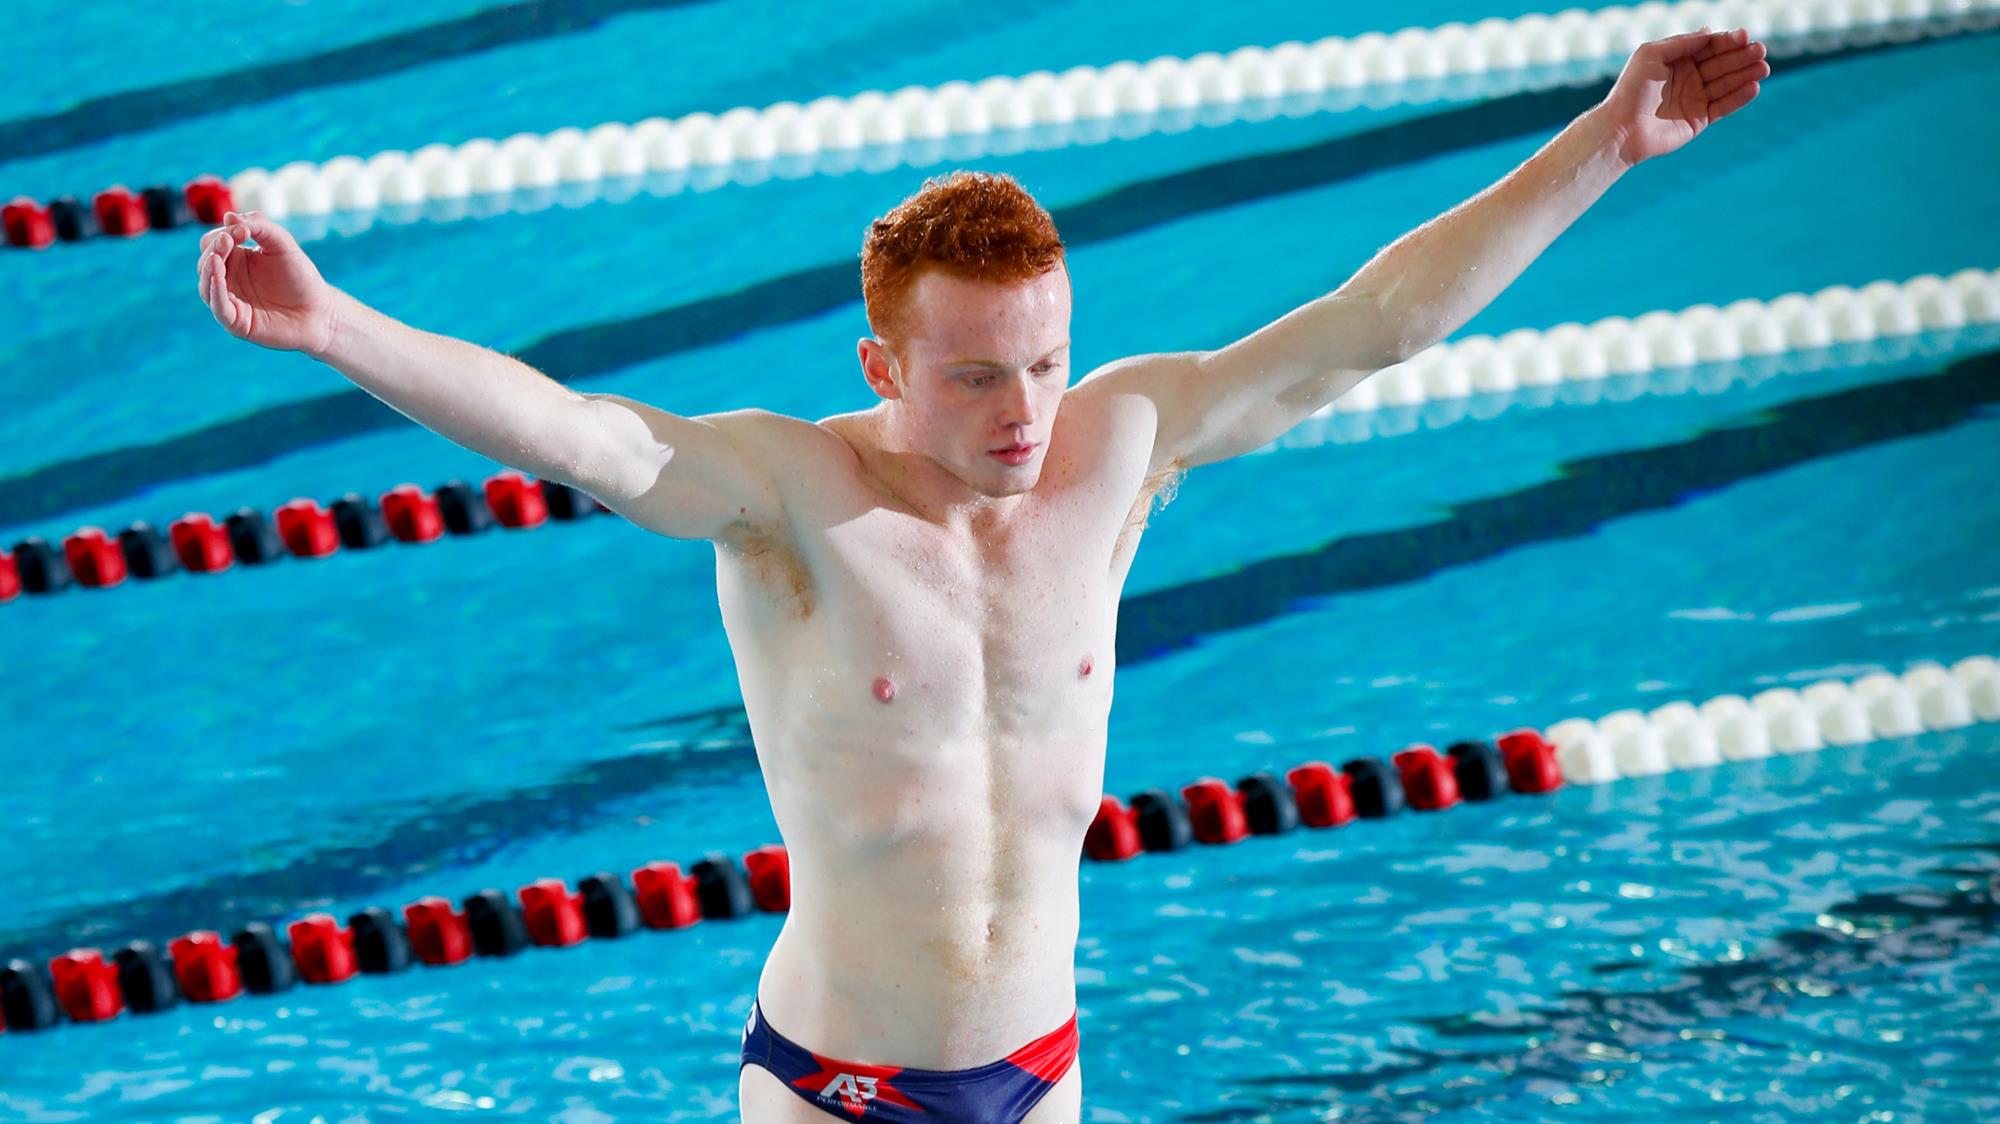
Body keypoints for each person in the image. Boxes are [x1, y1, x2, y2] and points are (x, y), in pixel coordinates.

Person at [195, 27, 1767, 1122]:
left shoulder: (1117, 448)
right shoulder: (794, 497)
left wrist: (1609, 143)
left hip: (1042, 1066)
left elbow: (1379, 326)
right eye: (972, 380)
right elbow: (584, 437)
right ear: (883, 362)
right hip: (839, 1086)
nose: (1023, 414)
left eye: (1044, 364)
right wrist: (342, 329)